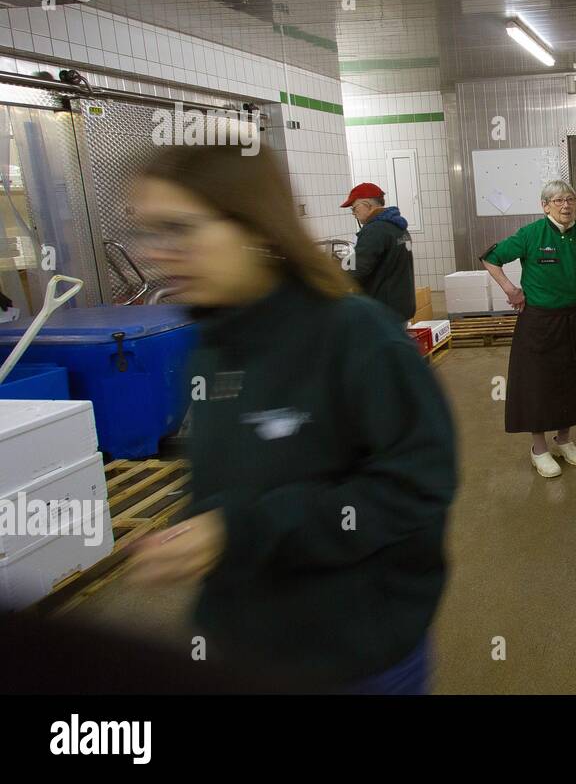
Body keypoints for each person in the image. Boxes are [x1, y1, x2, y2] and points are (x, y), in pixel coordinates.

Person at [126, 146, 457, 694]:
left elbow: (418, 485)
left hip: (354, 659)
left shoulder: (355, 336)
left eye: (180, 228)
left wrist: (242, 530)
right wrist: (195, 531)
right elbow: (228, 478)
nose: (160, 254)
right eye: (150, 233)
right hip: (246, 649)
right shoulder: (214, 341)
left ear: (253, 223)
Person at [480, 181, 576, 478]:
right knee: (539, 383)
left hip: (575, 318)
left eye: (570, 199)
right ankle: (538, 448)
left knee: (573, 379)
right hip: (539, 321)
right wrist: (512, 290)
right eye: (559, 200)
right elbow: (490, 258)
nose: (566, 205)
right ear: (545, 205)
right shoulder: (531, 234)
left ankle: (564, 440)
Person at [340, 182, 416, 323]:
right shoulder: (399, 226)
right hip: (401, 306)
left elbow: (358, 269)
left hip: (382, 311)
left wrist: (332, 278)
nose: (354, 214)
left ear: (367, 205)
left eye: (355, 208)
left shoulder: (374, 230)